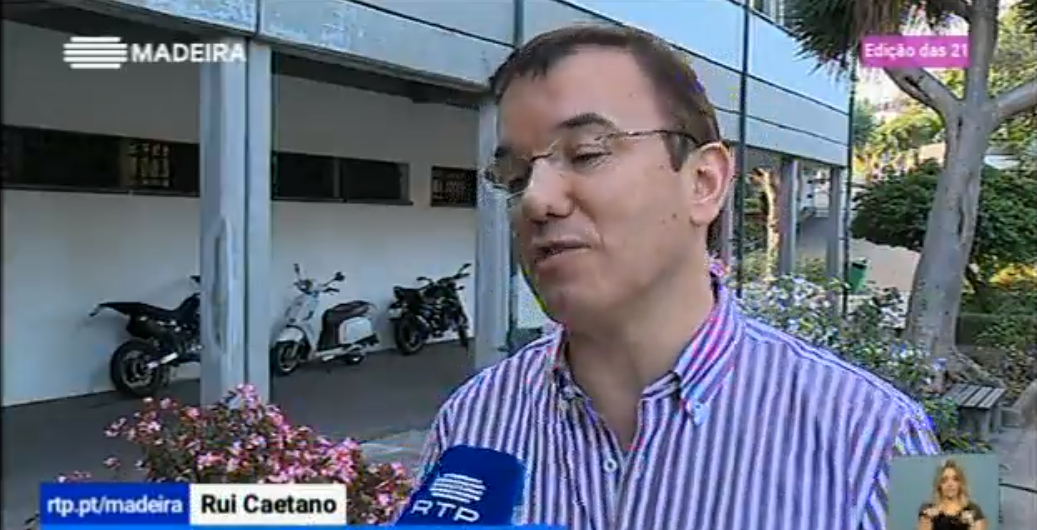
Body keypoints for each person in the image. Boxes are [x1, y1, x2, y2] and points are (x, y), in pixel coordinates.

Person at [415, 25, 940, 529]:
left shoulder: (890, 434)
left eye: (588, 153)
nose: (535, 199)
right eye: (515, 176)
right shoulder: (471, 419)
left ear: (704, 182)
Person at [917, 459, 987, 530]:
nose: (950, 484)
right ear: (939, 484)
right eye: (944, 480)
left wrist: (971, 523)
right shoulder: (928, 509)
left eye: (955, 479)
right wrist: (928, 519)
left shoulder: (973, 509)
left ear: (960, 483)